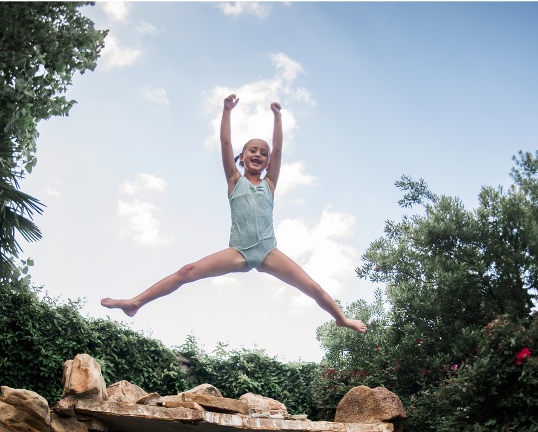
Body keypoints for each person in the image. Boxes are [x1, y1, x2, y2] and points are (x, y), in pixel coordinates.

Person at [101, 94, 367, 334]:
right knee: (187, 271)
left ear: (268, 162)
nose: (259, 155)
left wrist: (277, 117)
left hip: (268, 251)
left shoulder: (270, 183)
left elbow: (279, 148)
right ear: (242, 157)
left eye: (263, 153)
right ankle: (136, 302)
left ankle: (341, 318)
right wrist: (227, 110)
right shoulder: (233, 179)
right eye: (253, 150)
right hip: (238, 250)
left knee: (314, 288)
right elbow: (225, 141)